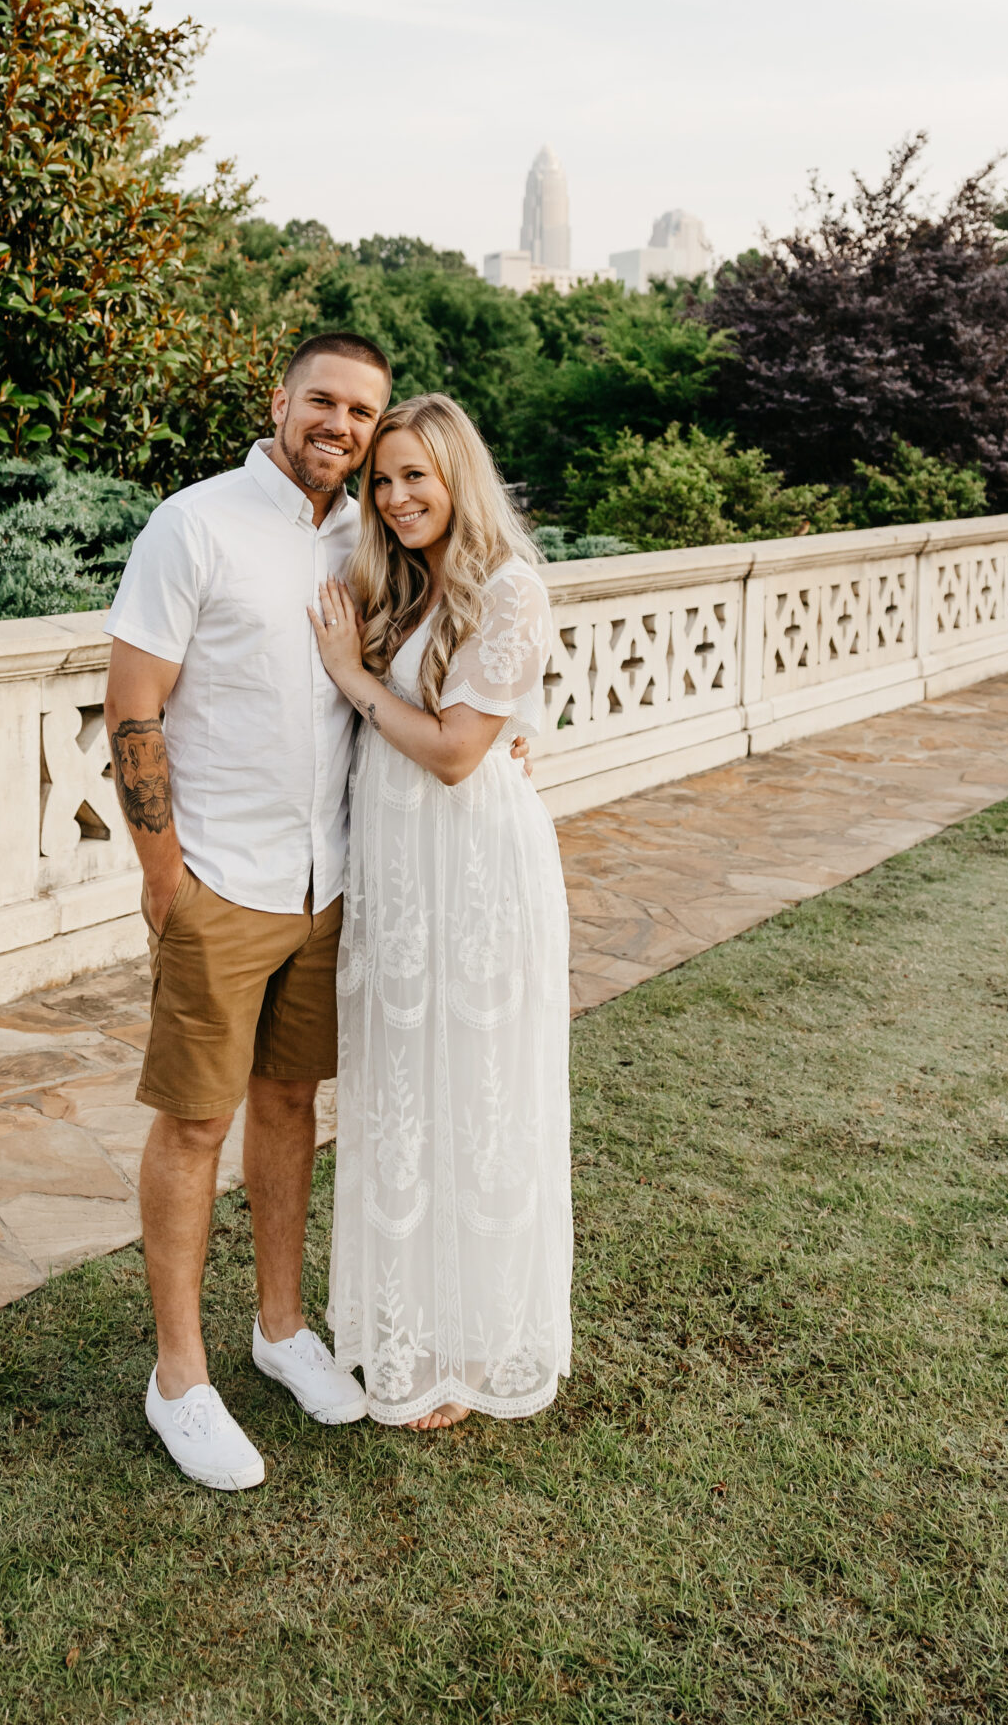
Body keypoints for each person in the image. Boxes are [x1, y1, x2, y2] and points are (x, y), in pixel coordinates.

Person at [103, 333, 394, 1491]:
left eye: (362, 412)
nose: (340, 425)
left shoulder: (365, 535)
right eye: (323, 399)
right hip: (221, 879)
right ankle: (179, 1377)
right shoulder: (194, 524)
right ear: (280, 400)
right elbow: (133, 704)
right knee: (193, 1123)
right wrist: (164, 873)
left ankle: (280, 1329)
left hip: (327, 881)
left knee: (289, 1103)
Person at [309, 392, 573, 1431]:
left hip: (473, 874)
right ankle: (404, 1327)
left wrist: (350, 676)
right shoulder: (404, 584)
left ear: (458, 474)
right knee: (402, 1098)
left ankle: (472, 1348)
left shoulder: (510, 588)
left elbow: (459, 753)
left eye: (414, 475)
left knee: (476, 1096)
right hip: (401, 874)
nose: (393, 496)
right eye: (381, 480)